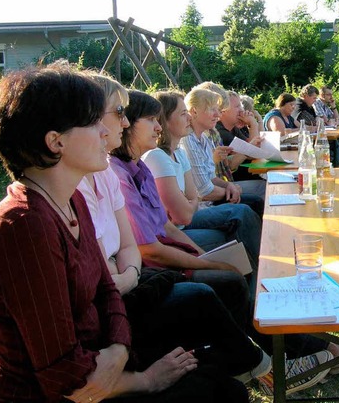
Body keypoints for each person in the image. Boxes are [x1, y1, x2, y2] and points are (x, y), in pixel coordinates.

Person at [0, 63, 248, 402]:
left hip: (103, 361)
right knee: (220, 391)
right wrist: (146, 380)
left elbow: (106, 289)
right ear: (55, 142)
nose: (107, 132)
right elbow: (66, 376)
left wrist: (119, 349)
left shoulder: (68, 200)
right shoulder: (24, 228)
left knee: (218, 379)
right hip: (55, 394)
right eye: (92, 122)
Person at [78, 75, 271, 388]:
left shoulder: (135, 166)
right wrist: (205, 261)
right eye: (121, 115)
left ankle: (254, 341)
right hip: (140, 277)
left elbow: (163, 225)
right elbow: (156, 238)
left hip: (144, 265)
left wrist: (197, 254)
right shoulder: (128, 167)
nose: (125, 124)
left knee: (235, 253)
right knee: (226, 267)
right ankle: (257, 355)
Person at [109, 89, 253, 330]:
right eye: (152, 120)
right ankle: (266, 349)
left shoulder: (141, 168)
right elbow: (154, 245)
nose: (158, 127)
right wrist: (209, 264)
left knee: (236, 263)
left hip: (166, 246)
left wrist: (203, 256)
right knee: (231, 273)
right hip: (150, 269)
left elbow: (169, 224)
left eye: (159, 120)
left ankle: (265, 331)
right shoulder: (125, 171)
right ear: (128, 125)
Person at [142, 90, 261, 273]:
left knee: (246, 208)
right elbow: (186, 213)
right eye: (183, 113)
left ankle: (253, 272)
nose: (189, 117)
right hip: (179, 227)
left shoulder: (179, 153)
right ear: (164, 120)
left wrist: (225, 187)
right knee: (243, 211)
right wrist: (193, 201)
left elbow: (195, 196)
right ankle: (256, 275)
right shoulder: (158, 157)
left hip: (193, 214)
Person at [180, 88, 265, 215]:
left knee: (255, 201)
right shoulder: (189, 140)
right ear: (194, 111)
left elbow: (211, 177)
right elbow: (204, 191)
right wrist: (231, 189)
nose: (218, 115)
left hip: (213, 195)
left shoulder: (204, 137)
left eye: (219, 110)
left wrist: (229, 186)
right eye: (212, 109)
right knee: (251, 204)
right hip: (202, 207)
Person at [313, 85, 339, 166]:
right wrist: (332, 121)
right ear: (322, 95)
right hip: (320, 134)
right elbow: (328, 122)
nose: (331, 97)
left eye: (332, 94)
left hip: (328, 131)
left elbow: (337, 120)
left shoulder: (325, 106)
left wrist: (333, 106)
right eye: (329, 95)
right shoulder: (317, 103)